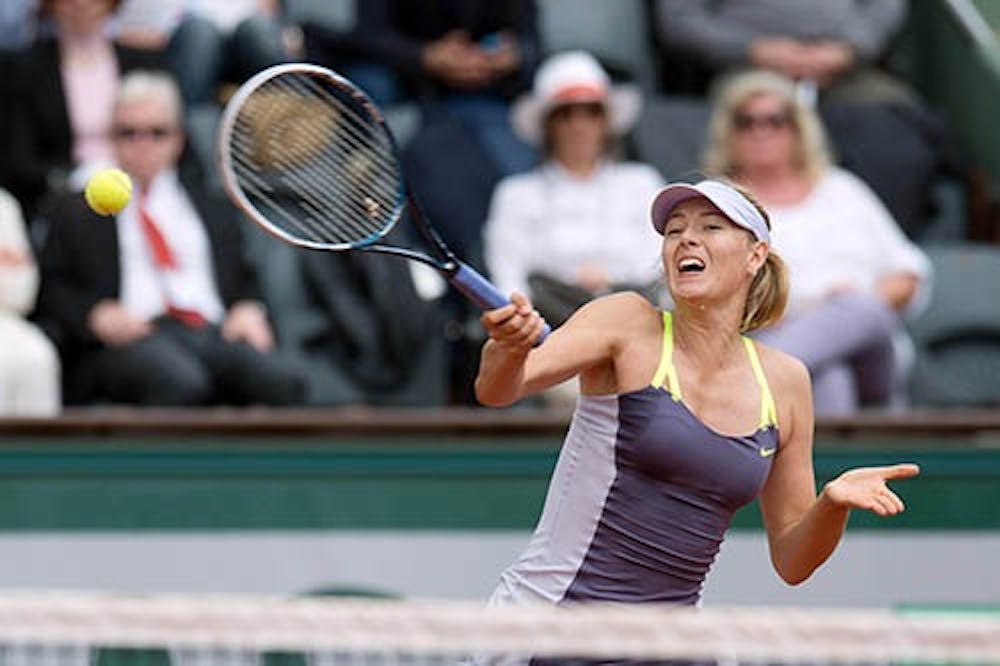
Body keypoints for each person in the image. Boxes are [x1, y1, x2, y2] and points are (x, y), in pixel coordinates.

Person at [475, 178, 919, 607]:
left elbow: (793, 561)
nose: (686, 239)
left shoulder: (785, 381)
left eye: (710, 227)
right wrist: (508, 349)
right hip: (553, 625)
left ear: (754, 256)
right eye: (674, 231)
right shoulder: (625, 320)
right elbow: (499, 390)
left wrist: (831, 503)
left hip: (673, 641)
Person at [35, 70, 305, 406]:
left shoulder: (212, 207)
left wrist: (249, 309)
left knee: (280, 379)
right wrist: (93, 314)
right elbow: (50, 288)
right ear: (111, 138)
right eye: (128, 133)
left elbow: (244, 278)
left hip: (210, 331)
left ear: (178, 139)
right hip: (133, 338)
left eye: (157, 133)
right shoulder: (78, 208)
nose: (142, 144)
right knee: (179, 381)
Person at [702, 69, 932, 414]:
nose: (761, 131)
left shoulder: (842, 189)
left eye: (775, 121)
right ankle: (832, 466)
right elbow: (701, 292)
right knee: (828, 380)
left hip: (870, 354)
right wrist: (806, 308)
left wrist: (842, 313)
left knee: (863, 308)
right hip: (764, 337)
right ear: (728, 132)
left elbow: (907, 273)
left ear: (798, 130)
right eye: (746, 122)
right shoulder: (715, 203)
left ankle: (749, 380)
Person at [483, 51, 664, 329]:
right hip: (551, 332)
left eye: (591, 112)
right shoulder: (516, 194)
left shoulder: (642, 183)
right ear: (548, 125)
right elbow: (509, 282)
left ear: (606, 121)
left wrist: (609, 279)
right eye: (565, 114)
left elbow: (662, 263)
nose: (579, 125)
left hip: (638, 328)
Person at [6, 0, 165, 226]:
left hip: (141, 193)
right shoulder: (24, 68)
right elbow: (19, 162)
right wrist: (71, 177)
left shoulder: (144, 62)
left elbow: (173, 140)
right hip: (62, 204)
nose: (81, 4)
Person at [654, 0, 912, 104]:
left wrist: (848, 50)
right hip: (749, 68)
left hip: (845, 66)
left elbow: (886, 6)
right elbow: (680, 22)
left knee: (894, 114)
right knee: (757, 118)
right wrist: (755, 50)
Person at [0, 188, 60, 416]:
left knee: (36, 356)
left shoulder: (4, 205)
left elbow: (23, 292)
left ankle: (40, 453)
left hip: (5, 320)